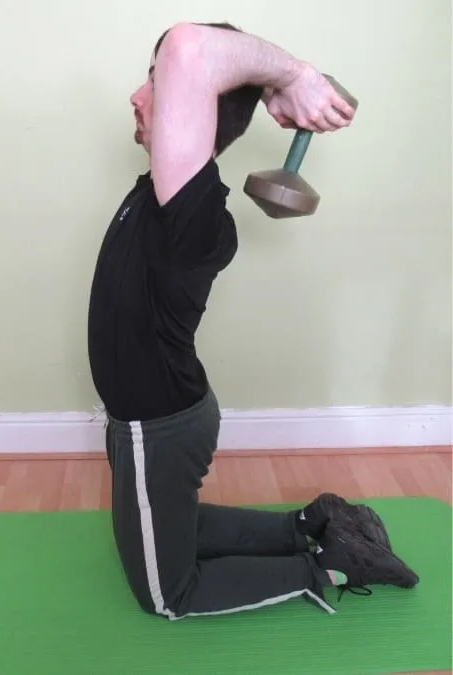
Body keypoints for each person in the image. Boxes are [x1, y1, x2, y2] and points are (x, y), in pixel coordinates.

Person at [85, 21, 420, 620]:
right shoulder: (165, 194)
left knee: (167, 595)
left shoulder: (192, 218)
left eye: (157, 84)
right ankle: (314, 525)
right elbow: (193, 59)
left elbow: (190, 46)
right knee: (169, 532)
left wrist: (291, 77)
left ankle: (334, 566)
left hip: (157, 427)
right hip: (157, 418)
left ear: (197, 111)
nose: (138, 96)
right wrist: (262, 85)